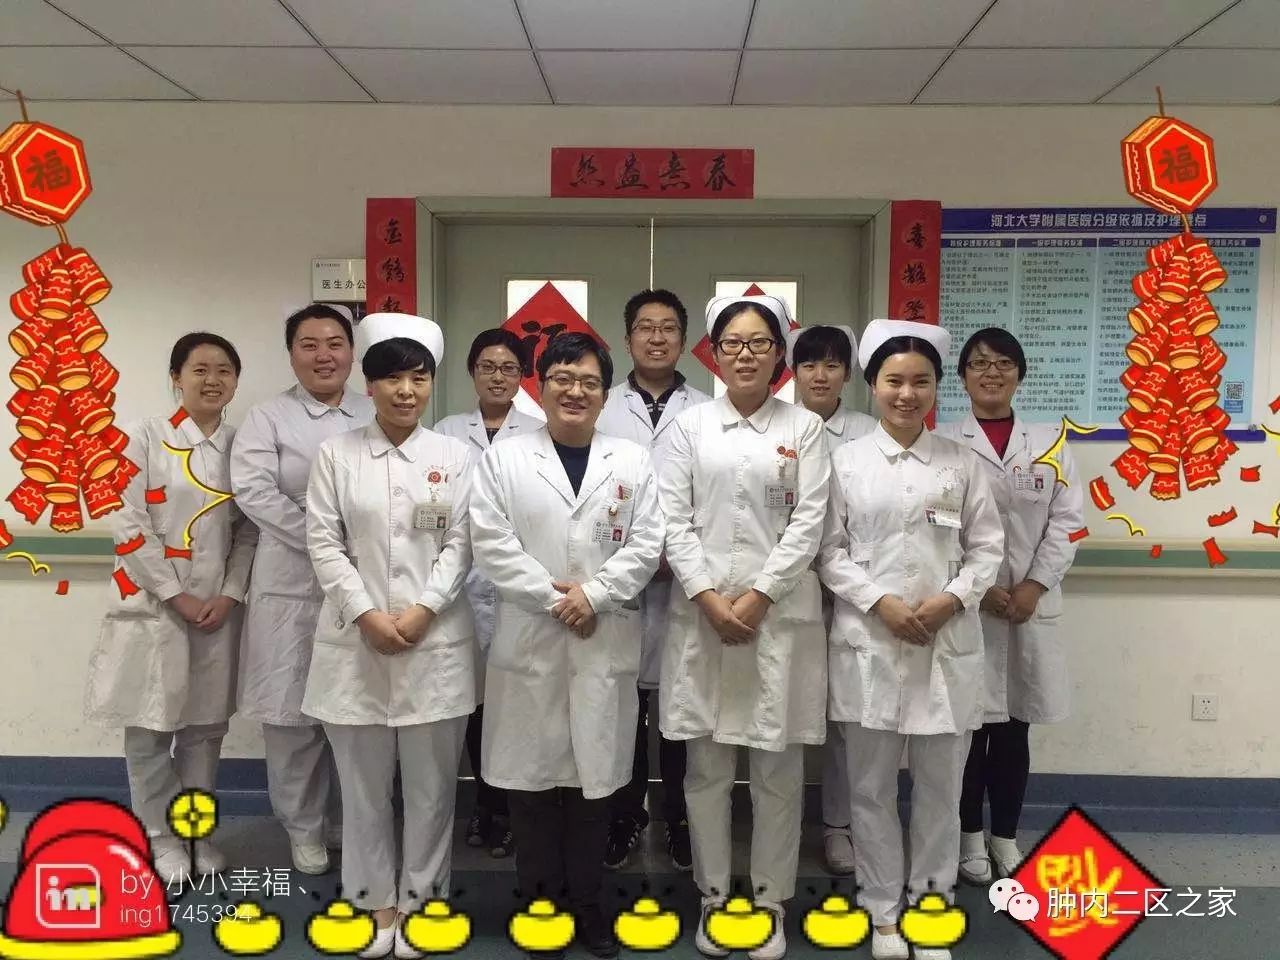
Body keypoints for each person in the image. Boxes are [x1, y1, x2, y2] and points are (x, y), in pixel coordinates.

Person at [470, 333, 663, 960]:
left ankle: (587, 903)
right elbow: (490, 542)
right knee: (529, 790)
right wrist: (559, 600)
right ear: (540, 385)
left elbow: (648, 542)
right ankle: (539, 904)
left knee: (593, 789)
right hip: (533, 639)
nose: (575, 391)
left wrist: (595, 596)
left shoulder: (632, 460)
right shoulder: (504, 458)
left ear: (605, 393)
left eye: (588, 381)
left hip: (602, 640)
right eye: (562, 378)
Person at [817, 319, 1004, 960]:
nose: (906, 393)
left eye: (920, 381)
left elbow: (987, 548)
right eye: (894, 380)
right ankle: (881, 912)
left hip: (946, 646)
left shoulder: (961, 463)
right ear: (872, 385)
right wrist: (881, 602)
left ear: (935, 388)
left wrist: (953, 598)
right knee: (869, 791)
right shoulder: (843, 463)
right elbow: (828, 551)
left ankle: (928, 909)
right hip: (869, 642)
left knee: (940, 793)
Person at [659, 295, 830, 960]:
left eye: (760, 342)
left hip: (778, 621)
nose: (746, 354)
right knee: (705, 770)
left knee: (778, 772)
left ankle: (769, 901)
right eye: (732, 342)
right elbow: (671, 518)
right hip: (702, 621)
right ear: (714, 352)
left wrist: (760, 595)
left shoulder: (804, 428)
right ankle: (711, 896)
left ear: (779, 354)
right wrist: (707, 597)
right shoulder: (689, 427)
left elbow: (809, 521)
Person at [303, 312, 476, 960]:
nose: (406, 390)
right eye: (393, 379)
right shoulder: (336, 455)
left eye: (419, 378)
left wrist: (426, 608)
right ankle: (374, 902)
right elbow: (322, 541)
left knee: (432, 791)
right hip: (356, 644)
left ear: (430, 384)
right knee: (363, 790)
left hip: (436, 643)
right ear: (369, 386)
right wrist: (365, 613)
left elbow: (463, 542)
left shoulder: (454, 456)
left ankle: (424, 901)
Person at [86, 332, 257, 885]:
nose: (213, 380)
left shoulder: (243, 447)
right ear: (176, 378)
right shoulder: (142, 437)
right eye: (200, 369)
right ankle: (160, 838)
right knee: (150, 731)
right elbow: (127, 523)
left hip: (216, 612)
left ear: (236, 380)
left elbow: (249, 530)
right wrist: (174, 593)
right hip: (154, 608)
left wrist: (230, 593)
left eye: (224, 370)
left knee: (205, 731)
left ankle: (195, 832)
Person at [933, 328, 1084, 884]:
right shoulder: (943, 441)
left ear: (1020, 373)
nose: (991, 372)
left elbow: (1068, 522)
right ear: (963, 377)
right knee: (968, 731)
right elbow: (937, 522)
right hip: (968, 604)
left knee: (1015, 730)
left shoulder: (1050, 443)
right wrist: (979, 587)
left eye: (1002, 363)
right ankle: (969, 837)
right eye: (978, 363)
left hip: (1027, 607)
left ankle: (1005, 837)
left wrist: (1033, 587)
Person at [231, 304, 373, 875]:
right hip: (291, 581)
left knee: (355, 710)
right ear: (291, 354)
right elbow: (254, 493)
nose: (323, 355)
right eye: (309, 345)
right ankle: (303, 828)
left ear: (352, 352)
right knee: (291, 717)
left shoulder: (375, 408)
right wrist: (324, 541)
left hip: (365, 578)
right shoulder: (268, 418)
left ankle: (349, 820)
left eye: (335, 343)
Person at [595, 289, 710, 873]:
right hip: (617, 580)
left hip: (689, 583)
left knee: (681, 708)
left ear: (684, 341)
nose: (657, 337)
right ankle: (623, 815)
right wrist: (637, 557)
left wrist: (675, 554)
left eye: (668, 328)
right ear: (628, 338)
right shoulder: (602, 406)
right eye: (645, 327)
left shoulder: (708, 409)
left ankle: (680, 818)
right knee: (622, 707)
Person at [434, 328, 543, 859]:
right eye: (487, 367)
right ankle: (486, 803)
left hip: (522, 585)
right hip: (461, 584)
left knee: (520, 703)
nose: (498, 377)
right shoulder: (447, 432)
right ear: (471, 372)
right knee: (475, 705)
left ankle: (518, 808)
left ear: (523, 375)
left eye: (508, 368)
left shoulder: (541, 431)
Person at [785, 323, 876, 878]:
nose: (820, 375)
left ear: (848, 373)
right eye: (809, 364)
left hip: (851, 596)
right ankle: (782, 819)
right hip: (786, 592)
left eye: (832, 365)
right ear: (793, 372)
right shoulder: (776, 424)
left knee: (847, 718)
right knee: (787, 709)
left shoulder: (868, 432)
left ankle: (840, 825)